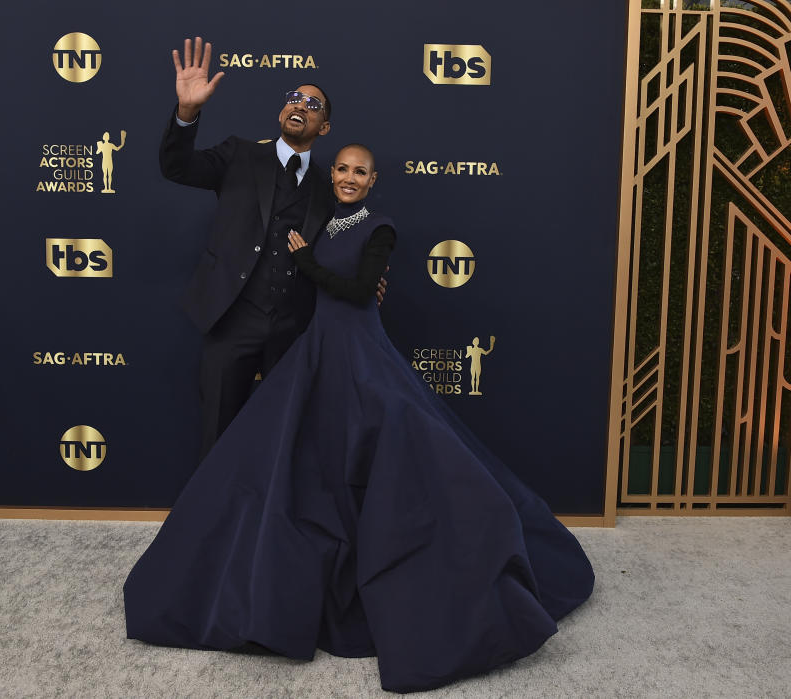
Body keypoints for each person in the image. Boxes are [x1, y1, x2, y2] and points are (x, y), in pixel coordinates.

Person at [124, 144, 595, 694]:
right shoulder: (323, 216)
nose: (349, 178)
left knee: (389, 443)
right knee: (299, 459)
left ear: (374, 181)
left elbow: (353, 289)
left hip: (360, 351)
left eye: (360, 173)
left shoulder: (380, 227)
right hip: (318, 348)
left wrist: (309, 263)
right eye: (342, 169)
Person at [161, 37, 362, 459]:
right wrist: (187, 112)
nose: (300, 105)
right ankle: (215, 522)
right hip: (231, 319)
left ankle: (272, 521)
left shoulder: (330, 188)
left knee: (285, 438)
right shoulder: (239, 154)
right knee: (218, 434)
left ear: (323, 127)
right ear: (281, 110)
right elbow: (177, 167)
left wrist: (368, 280)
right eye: (294, 98)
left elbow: (344, 247)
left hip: (293, 328)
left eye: (313, 104)